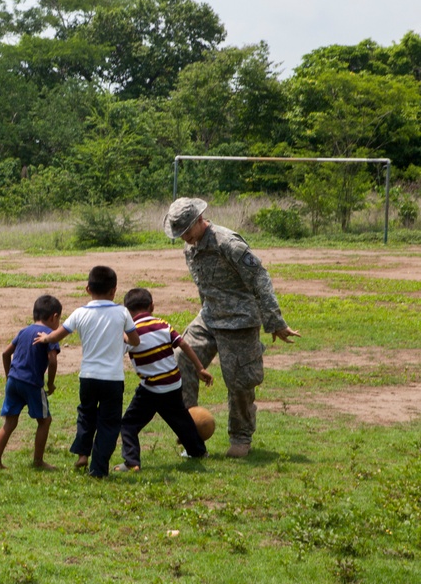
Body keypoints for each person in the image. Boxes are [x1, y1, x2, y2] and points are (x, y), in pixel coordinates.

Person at [164, 197, 301, 458]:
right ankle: (190, 429)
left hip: (239, 320)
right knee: (181, 358)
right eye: (178, 233)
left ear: (198, 221)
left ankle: (240, 437)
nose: (183, 237)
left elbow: (260, 278)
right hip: (210, 315)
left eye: (185, 231)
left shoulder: (228, 243)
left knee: (239, 380)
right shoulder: (190, 248)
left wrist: (275, 321)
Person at [34, 266, 139, 478]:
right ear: (114, 290)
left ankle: (83, 453)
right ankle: (98, 469)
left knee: (86, 414)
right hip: (112, 379)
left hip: (88, 376)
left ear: (87, 288)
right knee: (109, 423)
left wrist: (45, 338)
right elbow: (135, 341)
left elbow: (56, 335)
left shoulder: (80, 313)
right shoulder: (122, 312)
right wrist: (124, 338)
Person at [115, 288, 213, 472]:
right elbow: (183, 344)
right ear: (152, 306)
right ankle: (198, 452)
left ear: (127, 311)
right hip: (173, 384)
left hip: (151, 388)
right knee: (181, 420)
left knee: (129, 424)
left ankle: (131, 461)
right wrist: (200, 367)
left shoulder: (131, 333)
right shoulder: (162, 324)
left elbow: (119, 350)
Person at [0, 294, 63, 471]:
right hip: (32, 383)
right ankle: (38, 461)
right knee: (45, 421)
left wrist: (9, 376)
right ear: (54, 317)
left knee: (10, 422)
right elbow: (52, 361)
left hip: (14, 381)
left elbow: (5, 353)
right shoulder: (49, 335)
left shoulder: (23, 331)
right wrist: (50, 384)